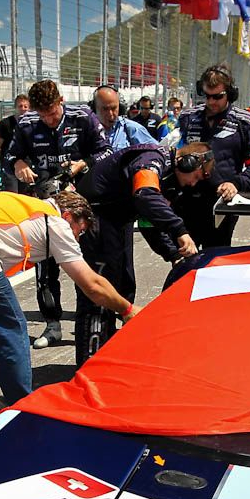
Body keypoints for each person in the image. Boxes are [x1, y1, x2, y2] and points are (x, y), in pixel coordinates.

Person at [0, 191, 136, 403]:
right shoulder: (55, 222)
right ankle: (20, 405)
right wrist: (127, 309)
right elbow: (92, 285)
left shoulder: (28, 209)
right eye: (79, 231)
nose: (77, 239)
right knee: (11, 329)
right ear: (69, 216)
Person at [4, 79, 111, 349]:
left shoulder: (82, 117)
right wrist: (18, 163)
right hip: (44, 205)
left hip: (79, 206)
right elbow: (7, 156)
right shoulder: (27, 123)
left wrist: (83, 164)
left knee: (81, 263)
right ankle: (52, 325)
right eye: (43, 115)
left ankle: (86, 320)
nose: (49, 120)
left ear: (60, 101)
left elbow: (106, 150)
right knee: (45, 268)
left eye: (52, 113)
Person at [74, 142, 202, 363]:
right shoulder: (152, 159)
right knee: (100, 298)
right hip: (96, 220)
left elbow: (148, 222)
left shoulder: (166, 175)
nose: (193, 183)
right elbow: (145, 195)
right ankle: (89, 363)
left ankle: (110, 357)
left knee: (124, 289)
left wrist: (173, 254)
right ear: (188, 162)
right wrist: (180, 230)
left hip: (116, 222)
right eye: (198, 176)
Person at [176, 64, 250, 249]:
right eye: (207, 96)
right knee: (185, 261)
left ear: (230, 93)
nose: (211, 102)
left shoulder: (246, 122)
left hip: (221, 204)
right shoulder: (187, 118)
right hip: (186, 203)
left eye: (217, 96)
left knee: (216, 260)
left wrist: (236, 184)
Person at [91, 85, 154, 150]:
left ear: (120, 108)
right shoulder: (85, 132)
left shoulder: (133, 129)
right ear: (94, 109)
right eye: (105, 109)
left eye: (113, 108)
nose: (110, 114)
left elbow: (158, 152)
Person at [0, 93, 29, 192]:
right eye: (20, 106)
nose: (23, 109)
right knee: (11, 194)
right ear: (15, 108)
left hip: (26, 166)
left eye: (26, 106)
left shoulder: (32, 124)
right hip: (9, 166)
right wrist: (0, 164)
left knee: (25, 195)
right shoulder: (5, 124)